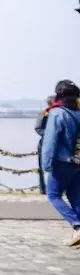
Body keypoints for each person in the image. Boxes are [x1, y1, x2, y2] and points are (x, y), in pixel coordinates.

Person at [39, 79, 80, 246]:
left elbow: (50, 141)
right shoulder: (78, 112)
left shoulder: (57, 113)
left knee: (53, 195)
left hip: (62, 162)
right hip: (78, 161)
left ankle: (77, 225)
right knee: (75, 196)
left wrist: (46, 164)